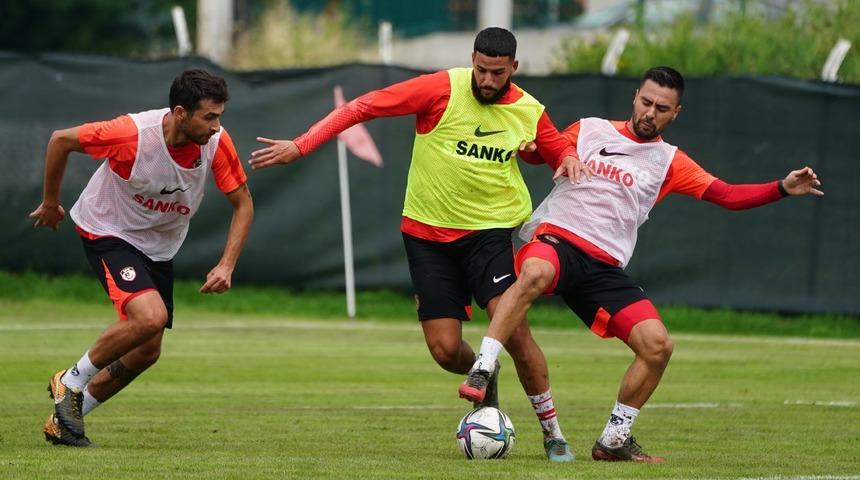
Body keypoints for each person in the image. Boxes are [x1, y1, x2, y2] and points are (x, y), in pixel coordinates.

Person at [248, 27, 589, 462]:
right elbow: (362, 106)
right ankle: (486, 370)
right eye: (481, 70)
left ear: (514, 68)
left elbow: (558, 148)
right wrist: (302, 144)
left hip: (489, 234)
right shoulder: (441, 89)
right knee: (445, 350)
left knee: (517, 333)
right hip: (427, 235)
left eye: (497, 73)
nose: (487, 80)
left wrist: (568, 158)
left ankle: (553, 433)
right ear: (472, 60)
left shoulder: (528, 110)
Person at [458, 66, 824, 462]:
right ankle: (483, 366)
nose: (650, 112)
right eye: (646, 102)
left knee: (658, 345)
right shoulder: (591, 130)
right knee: (536, 272)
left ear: (675, 113)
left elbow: (728, 195)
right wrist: (527, 145)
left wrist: (782, 188)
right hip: (558, 239)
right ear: (635, 96)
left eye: (662, 108)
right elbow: (543, 152)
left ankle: (614, 439)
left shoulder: (669, 161)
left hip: (604, 267)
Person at [30, 69, 254, 447]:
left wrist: (227, 264)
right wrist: (51, 202)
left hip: (159, 246)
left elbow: (243, 204)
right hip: (108, 230)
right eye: (209, 117)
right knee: (150, 317)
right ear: (180, 113)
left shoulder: (216, 142)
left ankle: (65, 418)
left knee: (147, 350)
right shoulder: (131, 134)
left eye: (219, 116)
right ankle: (70, 380)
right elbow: (60, 140)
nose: (217, 126)